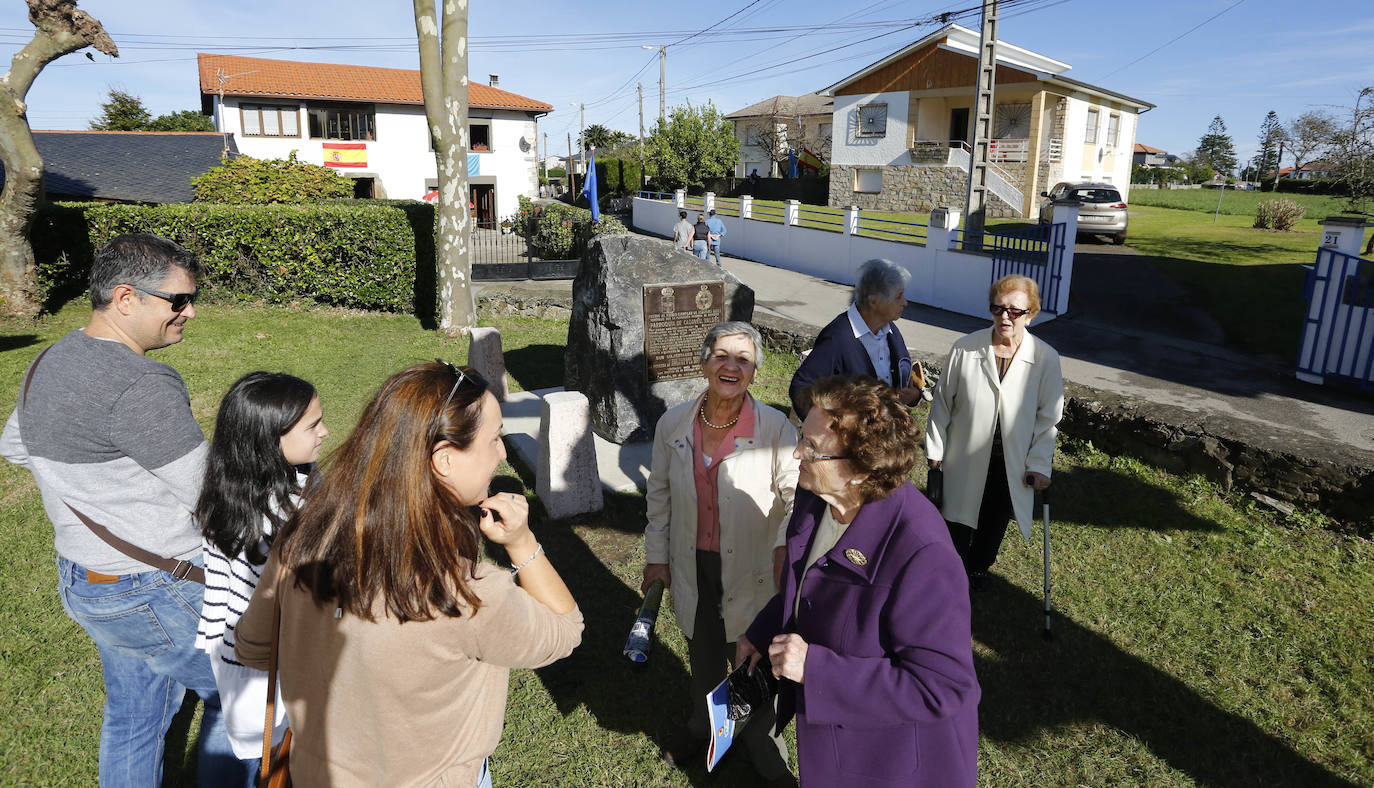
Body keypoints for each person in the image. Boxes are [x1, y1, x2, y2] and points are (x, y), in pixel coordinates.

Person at [235, 362, 583, 786]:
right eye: (494, 439)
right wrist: (522, 544)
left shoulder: (302, 539)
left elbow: (254, 648)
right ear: (443, 460)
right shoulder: (465, 594)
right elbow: (565, 630)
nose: (503, 454)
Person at [0, 233, 247, 786]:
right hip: (153, 587)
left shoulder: (52, 359)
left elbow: (16, 446)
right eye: (178, 300)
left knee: (135, 716)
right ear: (126, 297)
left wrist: (96, 489)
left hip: (87, 576)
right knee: (247, 698)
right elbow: (211, 497)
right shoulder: (140, 384)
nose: (190, 311)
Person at [739, 376, 980, 787]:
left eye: (812, 449)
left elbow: (943, 687)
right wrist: (763, 631)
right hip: (836, 749)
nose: (797, 452)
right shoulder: (818, 498)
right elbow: (807, 583)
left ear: (860, 471)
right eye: (802, 436)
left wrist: (814, 669)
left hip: (890, 762)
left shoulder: (922, 555)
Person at [643, 322, 798, 785]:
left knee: (754, 665)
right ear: (704, 361)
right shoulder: (673, 423)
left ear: (754, 372)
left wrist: (783, 546)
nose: (731, 366)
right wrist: (657, 557)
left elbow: (795, 498)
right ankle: (702, 727)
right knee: (704, 654)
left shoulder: (775, 428)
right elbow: (659, 496)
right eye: (722, 355)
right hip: (693, 564)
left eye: (743, 359)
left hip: (753, 570)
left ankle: (766, 752)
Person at [194, 372, 328, 769]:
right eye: (313, 425)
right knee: (259, 747)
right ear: (270, 442)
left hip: (236, 647)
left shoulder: (236, 485)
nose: (325, 431)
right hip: (261, 656)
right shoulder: (274, 516)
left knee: (236, 730)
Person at [925, 274, 1065, 590]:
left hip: (1010, 462)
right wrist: (935, 451)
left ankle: (978, 569)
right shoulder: (965, 348)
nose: (1005, 317)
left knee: (993, 522)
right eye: (998, 308)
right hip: (965, 456)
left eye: (1015, 311)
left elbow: (1048, 420)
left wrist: (1040, 465)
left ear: (1031, 313)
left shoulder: (1045, 359)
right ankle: (950, 576)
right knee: (956, 520)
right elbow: (942, 404)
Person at [788, 258, 923, 419]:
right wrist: (831, 430)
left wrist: (914, 395)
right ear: (874, 301)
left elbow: (904, 381)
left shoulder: (891, 332)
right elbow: (800, 387)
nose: (905, 302)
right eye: (898, 296)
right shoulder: (837, 338)